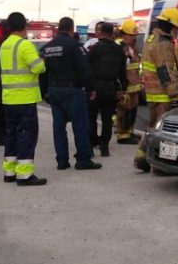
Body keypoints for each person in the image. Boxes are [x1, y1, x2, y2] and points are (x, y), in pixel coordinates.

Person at [40, 17, 103, 171]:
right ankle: (83, 159)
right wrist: (90, 88)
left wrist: (44, 92)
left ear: (58, 28)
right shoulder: (75, 46)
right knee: (80, 125)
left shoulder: (47, 48)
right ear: (71, 29)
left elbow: (42, 72)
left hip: (54, 90)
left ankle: (62, 161)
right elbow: (85, 69)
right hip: (72, 90)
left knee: (58, 126)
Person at [0, 12, 47, 186]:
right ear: (23, 26)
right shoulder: (24, 45)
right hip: (24, 99)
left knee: (11, 135)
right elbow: (38, 68)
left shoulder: (5, 45)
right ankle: (25, 175)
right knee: (27, 136)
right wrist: (41, 60)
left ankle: (9, 172)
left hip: (9, 99)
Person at [134, 7, 178, 172]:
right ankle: (160, 165)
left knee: (153, 126)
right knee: (164, 130)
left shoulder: (151, 39)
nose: (177, 30)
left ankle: (142, 156)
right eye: (176, 27)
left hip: (151, 92)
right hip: (162, 93)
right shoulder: (164, 44)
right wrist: (174, 93)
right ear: (170, 25)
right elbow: (165, 70)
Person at [87, 22, 126, 157]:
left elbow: (87, 66)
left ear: (102, 32)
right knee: (107, 118)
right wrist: (123, 89)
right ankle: (105, 147)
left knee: (91, 116)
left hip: (95, 87)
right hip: (111, 87)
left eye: (97, 30)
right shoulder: (119, 49)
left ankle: (92, 142)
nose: (96, 33)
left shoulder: (95, 48)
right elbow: (123, 72)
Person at [115, 19, 142, 145]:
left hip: (134, 84)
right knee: (124, 109)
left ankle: (129, 131)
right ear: (124, 34)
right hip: (125, 85)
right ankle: (122, 134)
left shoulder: (133, 46)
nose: (133, 37)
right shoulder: (120, 46)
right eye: (131, 35)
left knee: (133, 110)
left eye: (134, 35)